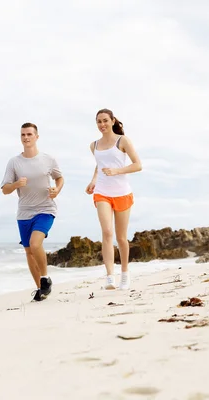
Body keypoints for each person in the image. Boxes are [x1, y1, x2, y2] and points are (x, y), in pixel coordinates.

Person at [1, 122, 64, 301]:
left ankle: (45, 278)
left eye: (29, 134)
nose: (26, 138)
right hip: (24, 213)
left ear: (36, 137)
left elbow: (59, 177)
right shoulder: (14, 162)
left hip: (45, 208)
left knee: (35, 244)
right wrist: (16, 184)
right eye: (23, 135)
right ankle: (40, 289)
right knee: (29, 252)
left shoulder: (48, 159)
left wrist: (57, 189)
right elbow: (5, 189)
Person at [85, 109, 142, 290]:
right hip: (102, 192)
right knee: (107, 232)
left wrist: (117, 171)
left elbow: (137, 165)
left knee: (121, 237)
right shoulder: (93, 145)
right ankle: (110, 276)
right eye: (99, 122)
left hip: (122, 192)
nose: (102, 125)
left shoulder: (122, 140)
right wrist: (93, 181)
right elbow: (99, 165)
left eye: (105, 121)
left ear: (112, 121)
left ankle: (125, 273)